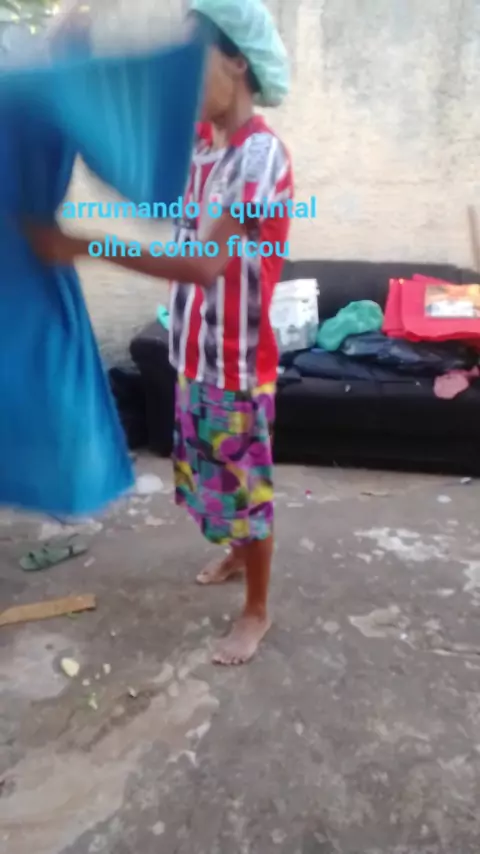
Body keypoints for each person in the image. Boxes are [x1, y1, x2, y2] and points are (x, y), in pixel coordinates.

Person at [26, 0, 293, 665]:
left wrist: (82, 244)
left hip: (236, 365)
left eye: (190, 61)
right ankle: (236, 555)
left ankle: (257, 610)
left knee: (247, 492)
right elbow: (124, 122)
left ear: (238, 62)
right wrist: (71, 62)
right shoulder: (201, 145)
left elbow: (203, 264)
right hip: (193, 354)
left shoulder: (260, 158)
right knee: (213, 480)